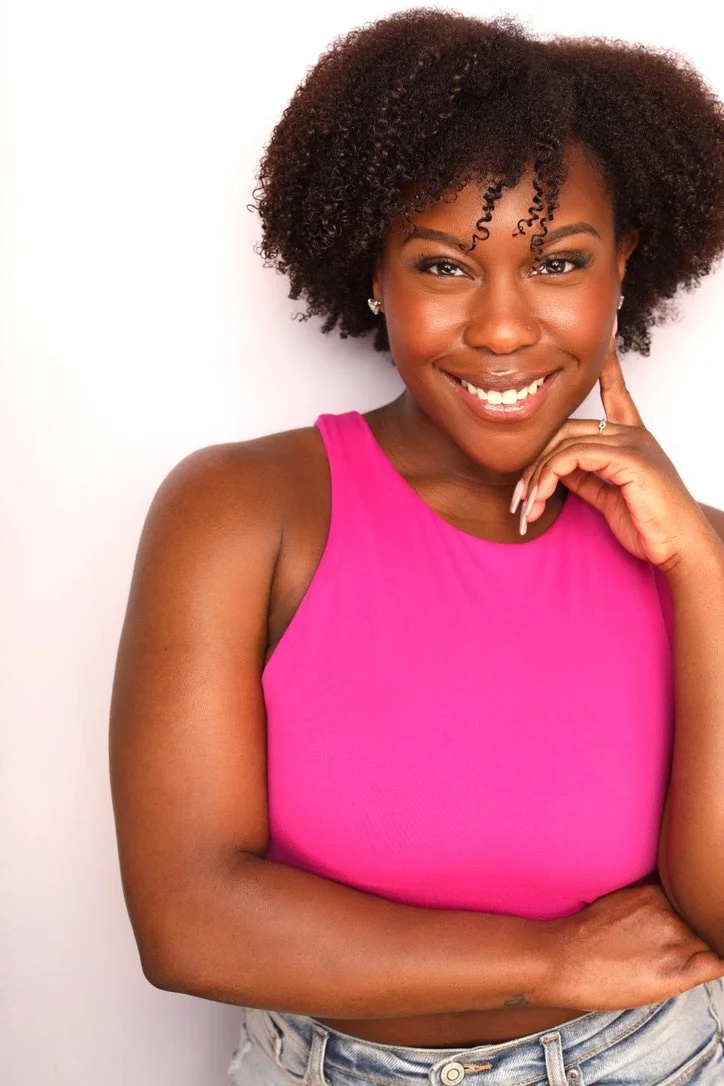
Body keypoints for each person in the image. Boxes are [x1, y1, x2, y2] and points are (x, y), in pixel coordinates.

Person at [109, 10, 724, 1085]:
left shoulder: (695, 553)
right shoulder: (242, 513)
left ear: (623, 262)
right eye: (442, 267)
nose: (501, 329)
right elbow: (187, 918)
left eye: (559, 262)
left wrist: (703, 577)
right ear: (373, 271)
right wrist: (549, 961)